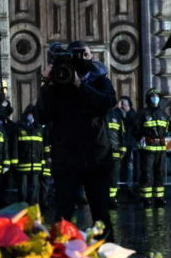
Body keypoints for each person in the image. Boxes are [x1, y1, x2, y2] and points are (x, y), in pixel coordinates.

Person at [35, 41, 117, 240]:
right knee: (62, 214)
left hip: (96, 157)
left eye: (86, 54)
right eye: (78, 54)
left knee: (101, 214)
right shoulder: (57, 82)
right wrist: (47, 84)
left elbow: (107, 102)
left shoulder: (99, 79)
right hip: (67, 158)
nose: (83, 58)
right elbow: (41, 116)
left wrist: (80, 86)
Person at [134, 88, 169, 207]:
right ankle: (146, 198)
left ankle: (159, 197)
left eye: (157, 96)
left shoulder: (163, 114)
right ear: (148, 98)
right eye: (153, 96)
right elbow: (136, 130)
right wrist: (142, 138)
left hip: (160, 148)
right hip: (148, 149)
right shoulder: (143, 113)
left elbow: (166, 130)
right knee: (147, 173)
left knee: (160, 173)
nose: (155, 98)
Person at [12, 105, 47, 205]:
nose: (31, 116)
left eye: (32, 114)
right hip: (23, 164)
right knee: (23, 189)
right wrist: (15, 161)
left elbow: (42, 148)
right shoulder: (19, 128)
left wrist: (43, 162)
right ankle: (22, 207)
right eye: (29, 114)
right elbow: (15, 146)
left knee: (35, 188)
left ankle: (33, 207)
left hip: (36, 164)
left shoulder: (39, 129)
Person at [106, 102, 126, 208]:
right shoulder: (99, 114)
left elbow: (121, 134)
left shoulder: (117, 116)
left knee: (114, 177)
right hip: (103, 152)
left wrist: (123, 148)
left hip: (115, 151)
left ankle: (112, 198)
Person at [118, 96, 138, 197]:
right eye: (122, 104)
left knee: (130, 167)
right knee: (120, 167)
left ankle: (130, 187)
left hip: (130, 145)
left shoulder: (132, 114)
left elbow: (133, 123)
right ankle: (120, 187)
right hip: (120, 145)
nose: (123, 106)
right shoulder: (117, 114)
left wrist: (126, 112)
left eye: (124, 104)